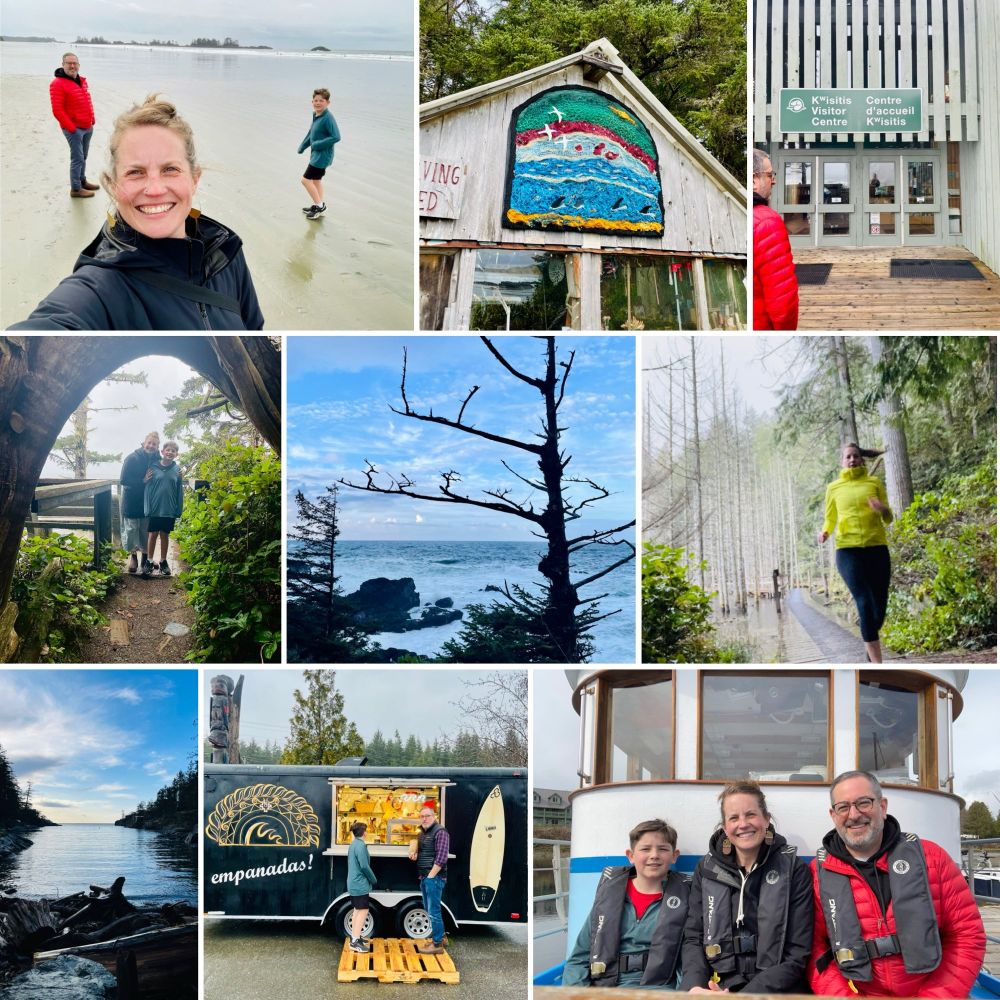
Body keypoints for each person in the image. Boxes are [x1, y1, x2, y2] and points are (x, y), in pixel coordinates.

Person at [11, 94, 264, 330]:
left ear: (194, 179)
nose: (154, 189)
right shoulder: (100, 289)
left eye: (170, 169)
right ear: (112, 185)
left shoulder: (227, 252)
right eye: (135, 172)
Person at [809, 770, 985, 997]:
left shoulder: (932, 859)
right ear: (833, 815)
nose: (853, 814)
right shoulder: (818, 873)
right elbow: (815, 951)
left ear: (882, 807)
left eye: (864, 802)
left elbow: (967, 935)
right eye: (843, 807)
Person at [681, 781, 813, 994]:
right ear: (725, 827)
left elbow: (797, 955)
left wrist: (744, 997)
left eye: (750, 814)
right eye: (734, 818)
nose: (743, 824)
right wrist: (695, 986)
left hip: (777, 990)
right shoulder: (705, 870)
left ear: (766, 819)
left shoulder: (793, 870)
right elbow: (694, 937)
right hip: (719, 987)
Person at [563, 818, 690, 988]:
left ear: (674, 856)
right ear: (631, 856)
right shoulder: (608, 898)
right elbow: (579, 958)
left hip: (660, 988)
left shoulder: (687, 898)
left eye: (663, 849)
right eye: (645, 849)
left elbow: (690, 958)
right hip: (607, 988)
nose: (654, 855)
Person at [817, 442, 893, 663]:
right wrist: (824, 533)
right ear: (842, 461)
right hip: (848, 551)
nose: (852, 460)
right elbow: (830, 518)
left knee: (878, 610)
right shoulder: (834, 488)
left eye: (856, 456)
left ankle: (870, 655)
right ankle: (879, 667)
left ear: (862, 459)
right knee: (865, 603)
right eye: (848, 457)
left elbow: (888, 517)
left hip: (877, 549)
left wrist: (883, 509)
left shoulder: (874, 483)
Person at [752, 148, 798, 331]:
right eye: (770, 175)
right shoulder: (767, 222)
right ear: (754, 179)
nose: (774, 180)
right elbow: (783, 303)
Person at [50, 52, 98, 198]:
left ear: (78, 65)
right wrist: (71, 128)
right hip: (74, 129)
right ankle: (76, 189)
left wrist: (92, 119)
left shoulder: (81, 80)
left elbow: (87, 100)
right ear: (62, 65)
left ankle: (82, 181)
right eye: (69, 63)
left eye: (75, 63)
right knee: (77, 158)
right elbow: (57, 110)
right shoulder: (57, 84)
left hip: (87, 126)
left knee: (84, 156)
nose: (72, 66)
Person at [408, 802, 449, 954]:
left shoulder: (441, 832)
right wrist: (414, 855)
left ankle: (437, 944)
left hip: (434, 878)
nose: (424, 819)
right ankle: (441, 937)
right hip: (425, 876)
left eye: (427, 816)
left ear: (434, 816)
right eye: (422, 816)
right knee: (429, 909)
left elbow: (442, 857)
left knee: (433, 911)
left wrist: (431, 876)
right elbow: (424, 852)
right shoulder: (422, 833)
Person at [119, 432, 160, 574]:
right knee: (131, 531)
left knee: (145, 531)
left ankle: (145, 560)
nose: (151, 446)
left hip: (148, 503)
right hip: (131, 501)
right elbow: (123, 480)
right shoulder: (132, 458)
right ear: (144, 443)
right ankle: (133, 557)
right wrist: (142, 481)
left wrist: (178, 473)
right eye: (149, 442)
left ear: (157, 446)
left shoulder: (157, 459)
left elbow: (166, 470)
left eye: (154, 444)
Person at [297, 88, 341, 220]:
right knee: (316, 180)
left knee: (305, 180)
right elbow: (311, 133)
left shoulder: (328, 118)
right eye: (315, 100)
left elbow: (336, 137)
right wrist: (303, 146)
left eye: (321, 100)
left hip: (322, 157)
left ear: (328, 102)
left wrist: (317, 145)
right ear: (312, 102)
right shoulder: (316, 115)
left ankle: (320, 206)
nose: (318, 103)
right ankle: (318, 205)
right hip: (316, 155)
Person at [143, 440, 183, 578]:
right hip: (155, 508)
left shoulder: (177, 471)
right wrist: (147, 507)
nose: (170, 452)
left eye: (173, 451)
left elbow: (179, 491)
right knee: (152, 534)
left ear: (176, 454)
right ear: (162, 452)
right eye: (168, 450)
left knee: (165, 535)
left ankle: (163, 561)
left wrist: (178, 509)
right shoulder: (153, 467)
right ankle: (149, 561)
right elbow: (147, 488)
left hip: (169, 509)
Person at [347, 821, 377, 954]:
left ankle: (356, 938)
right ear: (364, 833)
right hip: (360, 884)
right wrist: (373, 879)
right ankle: (354, 942)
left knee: (357, 910)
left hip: (353, 882)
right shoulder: (361, 846)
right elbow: (364, 866)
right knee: (363, 910)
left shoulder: (353, 844)